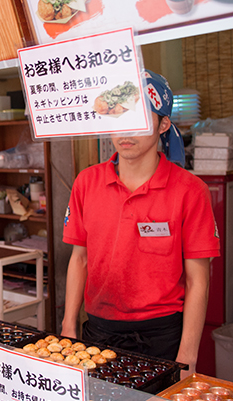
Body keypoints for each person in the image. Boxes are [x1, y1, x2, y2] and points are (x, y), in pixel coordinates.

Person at [60, 70, 220, 376]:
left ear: (163, 124)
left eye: (139, 120)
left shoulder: (190, 191)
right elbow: (79, 259)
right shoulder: (87, 182)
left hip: (162, 338)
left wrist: (188, 354)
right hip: (98, 332)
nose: (126, 132)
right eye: (118, 120)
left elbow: (199, 279)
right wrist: (69, 325)